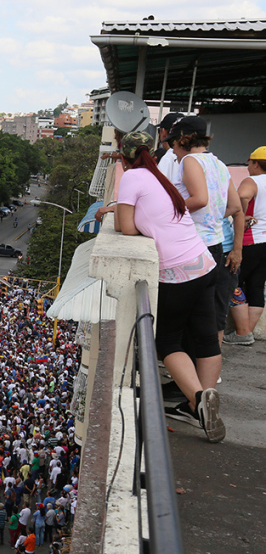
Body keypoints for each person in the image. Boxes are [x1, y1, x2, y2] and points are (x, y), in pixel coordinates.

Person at [112, 131, 225, 442]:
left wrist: (118, 210)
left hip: (176, 273)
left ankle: (199, 398)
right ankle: (199, 403)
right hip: (204, 262)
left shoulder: (132, 177)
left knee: (168, 343)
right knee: (206, 340)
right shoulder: (159, 175)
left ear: (124, 157)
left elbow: (127, 228)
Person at [164, 115, 244, 347]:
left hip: (194, 245)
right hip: (216, 243)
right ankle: (205, 374)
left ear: (181, 140)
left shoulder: (190, 161)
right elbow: (235, 207)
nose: (173, 152)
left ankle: (188, 374)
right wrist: (212, 218)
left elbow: (199, 199)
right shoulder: (218, 163)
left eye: (173, 144)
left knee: (186, 313)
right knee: (208, 315)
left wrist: (166, 210)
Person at [226, 145, 266, 345]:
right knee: (257, 285)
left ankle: (242, 333)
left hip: (252, 239)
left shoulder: (253, 180)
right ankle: (246, 333)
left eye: (249, 162)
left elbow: (242, 196)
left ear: (256, 163)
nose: (248, 166)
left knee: (233, 281)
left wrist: (241, 215)